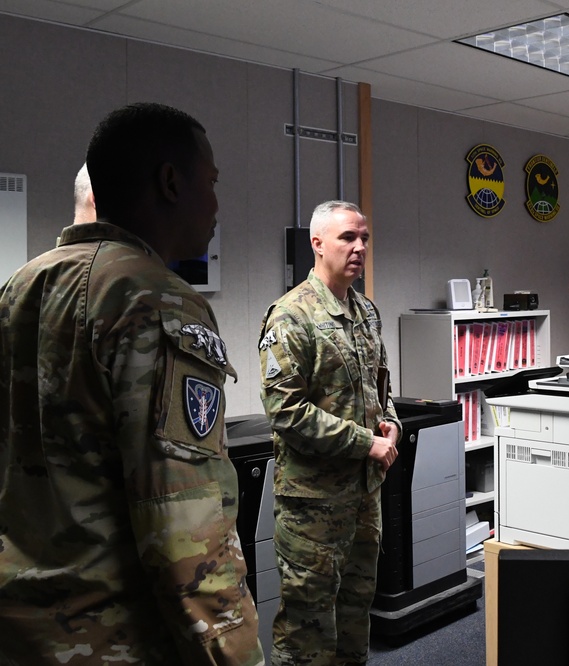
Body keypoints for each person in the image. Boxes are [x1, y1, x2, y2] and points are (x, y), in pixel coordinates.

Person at [0, 103, 264, 664]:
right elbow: (186, 529)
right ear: (171, 182)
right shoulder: (158, 300)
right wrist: (237, 654)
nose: (217, 204)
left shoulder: (21, 286)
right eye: (211, 182)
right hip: (113, 639)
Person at [258, 200, 401, 666]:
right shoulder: (291, 315)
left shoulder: (366, 311)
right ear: (317, 244)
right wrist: (367, 442)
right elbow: (287, 412)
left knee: (356, 618)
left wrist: (392, 426)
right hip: (313, 506)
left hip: (363, 497)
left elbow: (381, 389)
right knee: (307, 629)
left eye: (364, 239)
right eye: (348, 238)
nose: (359, 247)